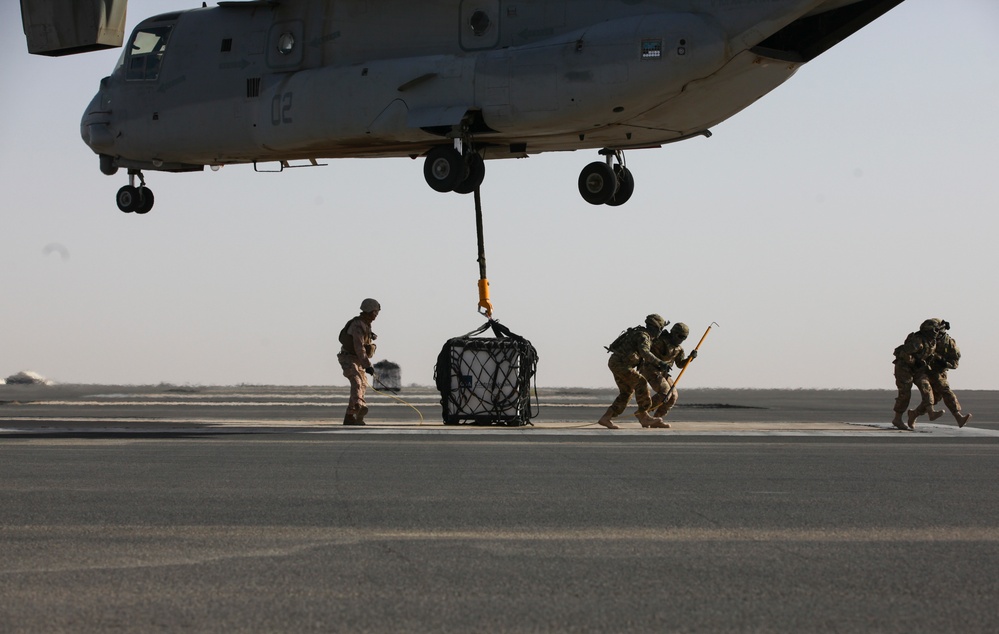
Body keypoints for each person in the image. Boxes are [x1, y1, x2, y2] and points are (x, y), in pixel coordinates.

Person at [597, 314, 672, 429]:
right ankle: (644, 416)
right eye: (660, 329)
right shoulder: (643, 336)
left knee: (626, 392)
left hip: (617, 363)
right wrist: (660, 363)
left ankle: (606, 417)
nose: (660, 332)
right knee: (640, 382)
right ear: (656, 328)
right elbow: (645, 353)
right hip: (621, 365)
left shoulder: (640, 333)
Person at [917, 320, 972, 428]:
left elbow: (955, 362)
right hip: (922, 370)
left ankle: (915, 413)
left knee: (941, 394)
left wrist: (944, 362)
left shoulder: (949, 343)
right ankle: (934, 413)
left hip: (937, 372)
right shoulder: (921, 339)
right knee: (927, 390)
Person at [891, 319, 942, 430]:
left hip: (918, 369)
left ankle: (931, 412)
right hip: (904, 368)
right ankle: (897, 418)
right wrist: (914, 361)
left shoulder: (932, 342)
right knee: (905, 393)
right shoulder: (918, 341)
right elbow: (904, 353)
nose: (937, 332)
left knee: (926, 387)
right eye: (935, 330)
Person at [641, 322, 698, 419]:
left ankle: (656, 419)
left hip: (663, 373)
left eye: (684, 338)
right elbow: (647, 355)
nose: (681, 340)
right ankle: (642, 412)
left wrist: (690, 358)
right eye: (680, 336)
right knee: (665, 392)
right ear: (673, 333)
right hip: (650, 369)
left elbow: (680, 364)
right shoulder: (660, 342)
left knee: (673, 396)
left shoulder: (679, 349)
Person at [337, 298, 380, 425]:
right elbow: (358, 347)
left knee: (363, 385)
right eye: (375, 312)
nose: (376, 315)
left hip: (358, 360)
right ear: (370, 311)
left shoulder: (365, 325)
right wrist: (368, 365)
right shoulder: (357, 325)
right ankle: (358, 407)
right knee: (356, 382)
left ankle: (351, 415)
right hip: (348, 358)